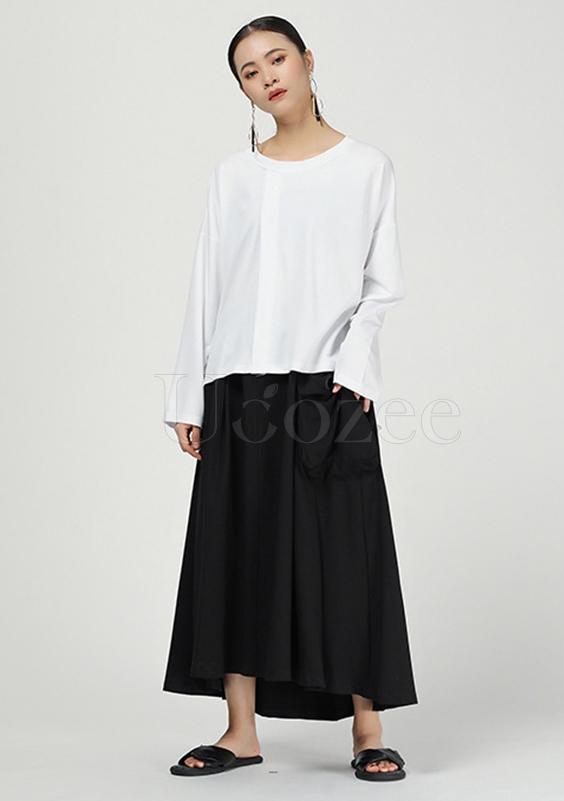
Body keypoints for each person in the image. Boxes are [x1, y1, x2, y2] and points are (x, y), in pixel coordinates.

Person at [161, 15, 418, 782]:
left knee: (347, 552)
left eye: (277, 58)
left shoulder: (367, 167)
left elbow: (382, 284)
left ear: (307, 61)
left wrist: (355, 370)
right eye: (249, 70)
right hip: (238, 381)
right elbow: (206, 283)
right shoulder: (233, 177)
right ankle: (240, 730)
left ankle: (368, 727)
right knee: (236, 548)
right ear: (243, 89)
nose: (267, 75)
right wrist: (189, 392)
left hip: (330, 381)